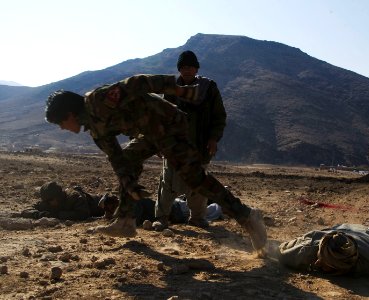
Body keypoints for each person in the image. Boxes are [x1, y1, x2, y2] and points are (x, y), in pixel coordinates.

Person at [44, 74, 267, 253]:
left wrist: (178, 89)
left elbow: (138, 83)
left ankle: (247, 216)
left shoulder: (98, 100)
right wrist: (129, 184)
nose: (62, 128)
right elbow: (117, 159)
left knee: (194, 178)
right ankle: (126, 221)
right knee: (130, 159)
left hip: (170, 124)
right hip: (151, 134)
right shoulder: (96, 131)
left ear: (70, 113)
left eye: (61, 122)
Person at [154, 50, 227, 230]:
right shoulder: (171, 88)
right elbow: (161, 117)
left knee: (198, 184)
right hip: (174, 146)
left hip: (199, 145)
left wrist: (213, 138)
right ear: (179, 69)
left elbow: (219, 117)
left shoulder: (208, 88)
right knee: (167, 182)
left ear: (196, 69)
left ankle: (197, 218)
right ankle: (162, 217)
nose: (187, 70)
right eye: (184, 67)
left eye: (191, 67)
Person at [278, 224, 369, 277]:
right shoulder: (312, 246)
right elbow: (282, 250)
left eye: (326, 264)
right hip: (340, 228)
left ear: (344, 267)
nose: (317, 263)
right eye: (320, 258)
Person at [21, 181, 104, 221]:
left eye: (50, 200)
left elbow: (83, 214)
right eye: (46, 201)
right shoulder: (48, 202)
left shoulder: (74, 196)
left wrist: (57, 215)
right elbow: (26, 210)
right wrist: (38, 214)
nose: (48, 203)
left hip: (103, 205)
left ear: (58, 196)